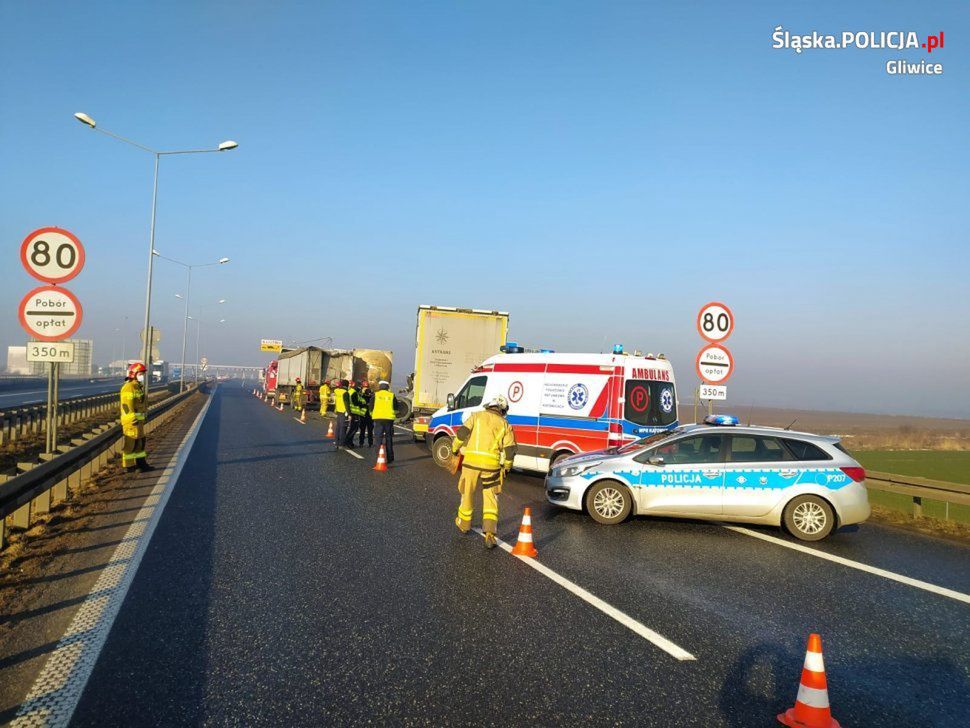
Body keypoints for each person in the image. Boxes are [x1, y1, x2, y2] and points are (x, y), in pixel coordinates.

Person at [451, 395, 517, 548]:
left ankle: (464, 524)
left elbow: (461, 434)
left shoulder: (476, 416)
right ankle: (490, 533)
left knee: (467, 492)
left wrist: (454, 449)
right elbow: (510, 450)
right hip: (492, 467)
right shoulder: (505, 424)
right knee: (491, 497)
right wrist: (506, 467)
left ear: (489, 405)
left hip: (471, 465)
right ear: (502, 410)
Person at [119, 361, 152, 472]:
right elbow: (126, 406)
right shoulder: (128, 387)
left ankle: (141, 464)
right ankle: (128, 467)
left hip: (139, 422)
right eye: (140, 374)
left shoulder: (138, 387)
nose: (142, 376)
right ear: (134, 374)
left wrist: (143, 417)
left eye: (143, 374)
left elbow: (141, 404)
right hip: (131, 422)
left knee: (140, 444)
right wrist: (132, 418)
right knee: (130, 445)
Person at [370, 381, 398, 464]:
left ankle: (378, 457)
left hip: (378, 419)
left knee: (378, 438)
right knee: (389, 438)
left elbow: (371, 407)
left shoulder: (375, 395)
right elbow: (396, 408)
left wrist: (373, 415)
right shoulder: (391, 395)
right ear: (387, 387)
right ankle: (390, 458)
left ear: (380, 387)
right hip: (389, 419)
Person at [344, 380, 364, 448]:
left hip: (352, 412)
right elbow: (355, 403)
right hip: (355, 413)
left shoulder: (350, 391)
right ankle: (347, 442)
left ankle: (350, 442)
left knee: (352, 428)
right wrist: (362, 404)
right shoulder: (354, 393)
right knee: (354, 429)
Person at [333, 379, 350, 447]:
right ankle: (341, 443)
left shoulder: (337, 391)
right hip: (344, 412)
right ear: (347, 385)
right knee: (343, 428)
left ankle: (336, 442)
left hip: (338, 410)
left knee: (338, 427)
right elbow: (346, 404)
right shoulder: (345, 393)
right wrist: (349, 413)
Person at [358, 381, 374, 447]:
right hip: (367, 416)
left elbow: (359, 405)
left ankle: (363, 443)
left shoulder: (362, 396)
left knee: (364, 431)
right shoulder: (371, 398)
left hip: (364, 416)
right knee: (367, 431)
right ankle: (368, 443)